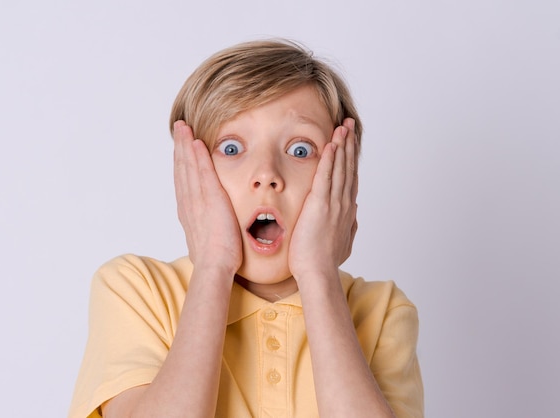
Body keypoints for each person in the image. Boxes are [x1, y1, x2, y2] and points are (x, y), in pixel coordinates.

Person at [68, 39, 423, 418]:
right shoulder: (137, 290)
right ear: (190, 173)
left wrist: (318, 273)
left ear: (343, 179)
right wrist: (213, 266)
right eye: (233, 148)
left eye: (300, 150)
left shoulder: (382, 311)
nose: (267, 174)